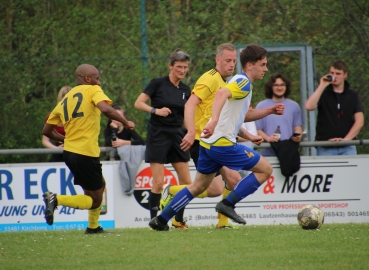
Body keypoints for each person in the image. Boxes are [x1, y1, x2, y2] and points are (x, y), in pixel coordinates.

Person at [149, 44, 284, 231]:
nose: (266, 69)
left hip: (208, 143)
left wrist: (268, 112)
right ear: (250, 65)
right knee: (265, 170)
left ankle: (160, 220)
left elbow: (239, 116)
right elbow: (219, 95)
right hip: (222, 144)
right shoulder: (241, 82)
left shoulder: (236, 81)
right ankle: (227, 205)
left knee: (197, 186)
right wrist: (211, 121)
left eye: (233, 60)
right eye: (263, 64)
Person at [42, 64, 134, 234]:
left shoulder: (65, 99)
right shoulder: (92, 90)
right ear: (87, 79)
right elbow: (106, 109)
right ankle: (56, 199)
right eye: (97, 78)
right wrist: (126, 123)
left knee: (98, 186)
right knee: (96, 201)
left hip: (69, 153)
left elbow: (46, 131)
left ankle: (93, 227)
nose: (98, 82)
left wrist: (65, 139)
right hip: (85, 152)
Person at [134, 49, 192, 229]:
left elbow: (187, 116)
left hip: (178, 135)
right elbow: (138, 103)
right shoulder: (157, 83)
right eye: (179, 67)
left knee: (187, 183)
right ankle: (155, 221)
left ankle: (178, 220)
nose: (182, 71)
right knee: (158, 182)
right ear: (170, 66)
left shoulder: (185, 89)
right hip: (158, 134)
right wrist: (155, 111)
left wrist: (191, 132)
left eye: (185, 68)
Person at [305, 60, 364, 155]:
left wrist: (346, 140)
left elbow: (360, 121)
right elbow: (309, 106)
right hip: (325, 146)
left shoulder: (352, 95)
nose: (334, 76)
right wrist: (322, 85)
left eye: (338, 73)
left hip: (347, 147)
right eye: (332, 73)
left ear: (345, 75)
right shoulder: (323, 94)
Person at [255, 73, 303, 156]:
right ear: (271, 87)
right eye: (276, 85)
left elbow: (297, 127)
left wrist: (298, 136)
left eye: (282, 85)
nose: (279, 88)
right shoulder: (261, 106)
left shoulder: (294, 106)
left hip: (288, 152)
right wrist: (269, 138)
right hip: (268, 152)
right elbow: (258, 130)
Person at [42, 86, 72, 162]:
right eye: (64, 97)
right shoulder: (52, 116)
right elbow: (45, 140)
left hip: (75, 150)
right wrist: (56, 149)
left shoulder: (78, 116)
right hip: (59, 151)